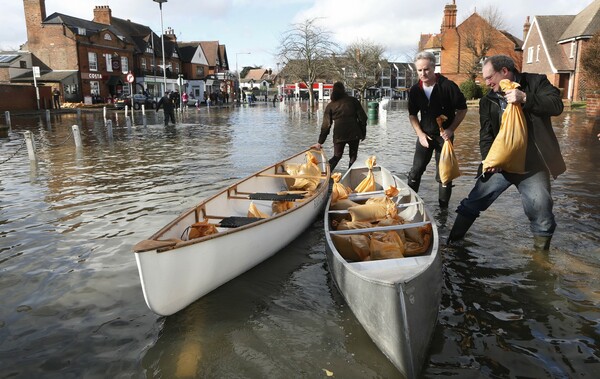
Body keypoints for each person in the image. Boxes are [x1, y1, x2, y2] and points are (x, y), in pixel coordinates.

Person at [448, 55, 566, 251]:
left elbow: (557, 106)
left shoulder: (536, 82)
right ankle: (451, 244)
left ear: (504, 71)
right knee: (472, 203)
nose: (486, 83)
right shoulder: (488, 100)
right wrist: (489, 159)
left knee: (542, 213)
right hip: (501, 165)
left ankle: (540, 262)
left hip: (533, 167)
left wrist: (525, 98)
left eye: (489, 77)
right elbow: (486, 135)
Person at [407, 51, 468, 208]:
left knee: (444, 176)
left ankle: (443, 211)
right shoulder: (414, 90)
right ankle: (410, 205)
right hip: (424, 135)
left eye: (426, 69)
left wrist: (451, 129)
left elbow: (462, 109)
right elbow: (412, 115)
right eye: (419, 70)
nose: (423, 73)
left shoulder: (448, 86)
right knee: (415, 171)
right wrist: (420, 135)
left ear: (434, 67)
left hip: (444, 137)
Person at [312, 81, 367, 171]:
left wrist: (320, 142)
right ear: (344, 90)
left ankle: (325, 172)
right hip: (354, 133)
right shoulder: (353, 101)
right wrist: (363, 133)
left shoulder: (331, 106)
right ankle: (350, 176)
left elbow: (326, 125)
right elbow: (363, 118)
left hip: (339, 134)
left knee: (337, 156)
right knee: (353, 156)